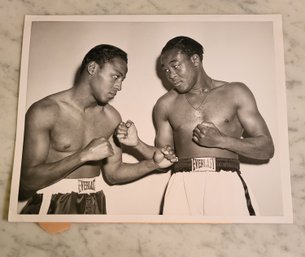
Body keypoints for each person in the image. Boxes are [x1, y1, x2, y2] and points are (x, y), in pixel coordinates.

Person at [118, 36, 274, 216]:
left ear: (195, 60)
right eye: (166, 70)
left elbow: (266, 148)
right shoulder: (165, 104)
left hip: (226, 184)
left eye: (175, 66)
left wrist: (221, 141)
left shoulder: (236, 92)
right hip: (181, 186)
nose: (171, 75)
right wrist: (137, 143)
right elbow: (164, 160)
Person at [18, 44, 173, 215]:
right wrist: (83, 155)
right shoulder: (46, 111)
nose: (119, 86)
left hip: (94, 201)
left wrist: (152, 164)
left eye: (122, 80)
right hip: (52, 202)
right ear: (92, 68)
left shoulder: (111, 117)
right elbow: (27, 182)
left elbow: (114, 174)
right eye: (115, 76)